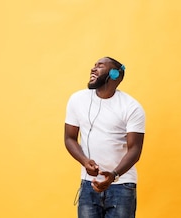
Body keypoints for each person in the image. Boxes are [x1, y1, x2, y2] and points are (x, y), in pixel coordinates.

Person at [64, 57, 146, 218]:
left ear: (115, 75)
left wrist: (114, 175)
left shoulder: (131, 107)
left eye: (100, 66)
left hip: (122, 186)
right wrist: (84, 161)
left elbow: (135, 149)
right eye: (93, 65)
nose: (93, 69)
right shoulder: (77, 100)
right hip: (89, 184)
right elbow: (69, 138)